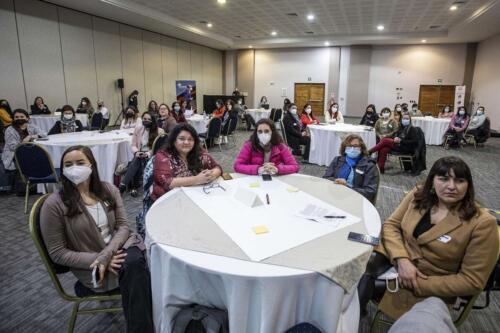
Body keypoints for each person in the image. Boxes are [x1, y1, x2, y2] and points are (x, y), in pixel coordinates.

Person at [357, 156, 499, 320]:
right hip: (395, 257)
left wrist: (414, 283)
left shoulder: (482, 223)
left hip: (427, 283)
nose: (451, 187)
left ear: (468, 185)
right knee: (349, 271)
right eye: (443, 179)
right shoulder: (418, 195)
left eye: (459, 180)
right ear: (432, 181)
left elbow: (472, 281)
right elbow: (391, 225)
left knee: (355, 290)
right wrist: (402, 260)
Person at [40, 145, 154, 332]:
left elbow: (123, 226)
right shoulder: (54, 205)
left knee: (139, 264)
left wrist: (106, 255)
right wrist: (98, 260)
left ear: (91, 165)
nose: (74, 168)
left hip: (118, 248)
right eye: (68, 164)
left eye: (80, 163)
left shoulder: (108, 190)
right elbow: (57, 253)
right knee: (139, 269)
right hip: (91, 264)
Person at [151, 124, 222, 201]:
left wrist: (210, 175)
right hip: (168, 199)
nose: (186, 142)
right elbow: (167, 182)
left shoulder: (198, 150)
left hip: (194, 196)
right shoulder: (163, 155)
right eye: (182, 139)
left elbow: (217, 167)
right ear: (174, 140)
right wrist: (197, 179)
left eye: (190, 139)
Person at [119, 112, 164, 197]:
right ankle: (128, 186)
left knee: (136, 161)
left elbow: (159, 148)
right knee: (137, 158)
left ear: (153, 121)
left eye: (149, 119)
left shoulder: (159, 131)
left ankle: (123, 185)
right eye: (144, 119)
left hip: (153, 155)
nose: (146, 121)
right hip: (140, 153)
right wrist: (136, 152)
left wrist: (148, 154)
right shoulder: (138, 129)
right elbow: (133, 145)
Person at [323, 134, 378, 202]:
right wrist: (337, 181)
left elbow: (370, 191)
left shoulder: (369, 165)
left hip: (355, 200)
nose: (352, 149)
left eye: (355, 146)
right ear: (344, 148)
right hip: (334, 195)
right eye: (349, 146)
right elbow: (325, 178)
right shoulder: (337, 160)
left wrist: (347, 187)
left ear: (361, 148)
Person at [234, 118, 299, 175]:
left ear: (272, 132)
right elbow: (237, 166)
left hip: (275, 179)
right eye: (260, 131)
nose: (263, 134)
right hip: (254, 178)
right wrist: (257, 169)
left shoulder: (280, 146)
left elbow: (295, 166)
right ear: (256, 133)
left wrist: (277, 169)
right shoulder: (249, 145)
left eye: (266, 131)